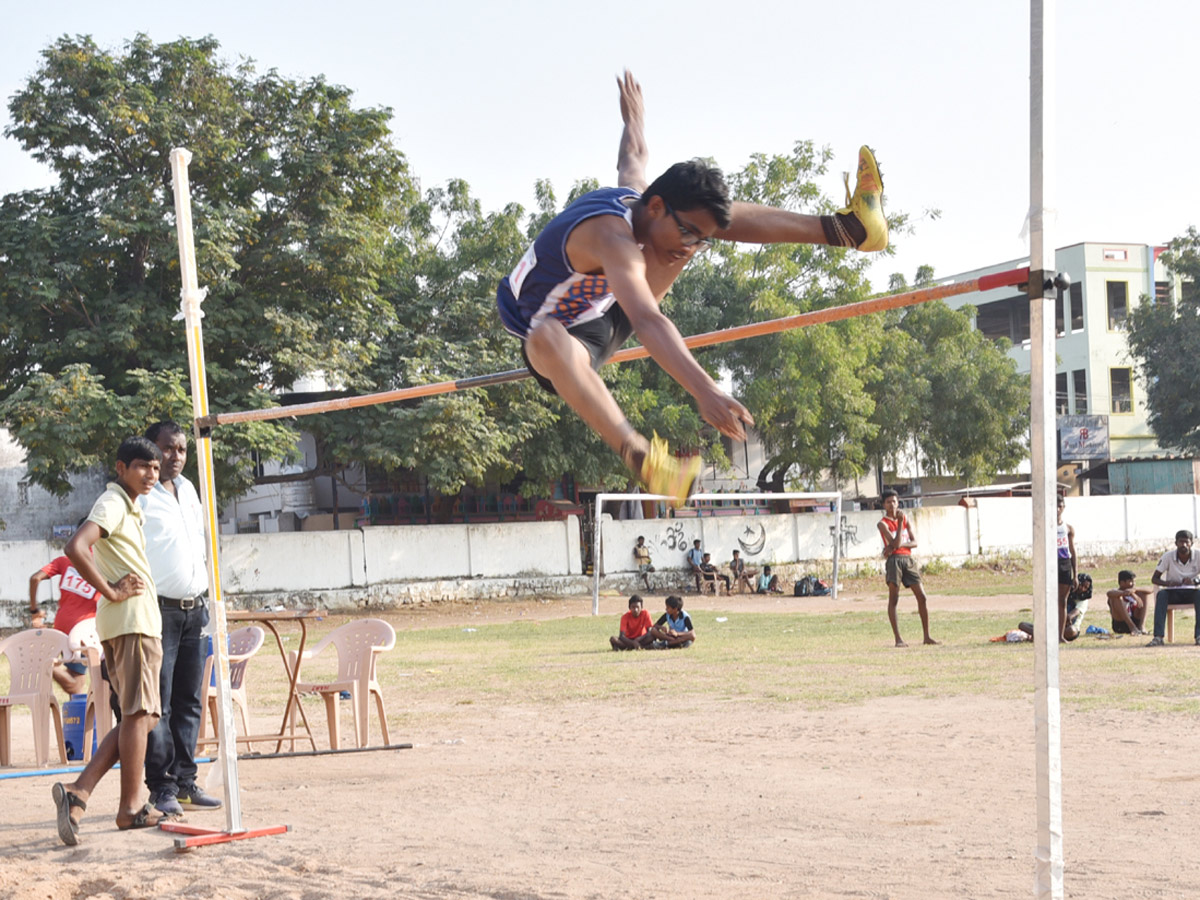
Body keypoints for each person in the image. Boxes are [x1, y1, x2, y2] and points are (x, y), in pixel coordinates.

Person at [496, 70, 887, 507]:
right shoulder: (613, 239)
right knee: (546, 335)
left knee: (710, 215)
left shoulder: (641, 196)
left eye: (698, 240)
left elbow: (634, 156)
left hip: (610, 308)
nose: (692, 248)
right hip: (562, 345)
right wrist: (706, 389)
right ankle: (640, 456)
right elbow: (646, 320)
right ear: (657, 208)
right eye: (687, 234)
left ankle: (847, 230)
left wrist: (634, 119)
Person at [51, 436, 166, 845]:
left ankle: (78, 794)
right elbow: (76, 546)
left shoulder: (131, 506)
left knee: (143, 716)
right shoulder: (114, 501)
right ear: (120, 468)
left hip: (133, 622)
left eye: (154, 467)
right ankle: (131, 807)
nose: (150, 474)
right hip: (129, 620)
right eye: (141, 466)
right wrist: (111, 590)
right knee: (138, 715)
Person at [141, 422, 222, 815]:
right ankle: (162, 787)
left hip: (195, 609)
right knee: (160, 703)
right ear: (152, 451)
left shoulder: (189, 489)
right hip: (160, 610)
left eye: (181, 450)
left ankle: (186, 781)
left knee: (190, 700)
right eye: (167, 449)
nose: (175, 457)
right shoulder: (139, 494)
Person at [28, 545, 98, 694]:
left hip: (61, 624)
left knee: (76, 683)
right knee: (76, 685)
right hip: (84, 628)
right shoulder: (102, 564)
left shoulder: (65, 560)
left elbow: (35, 578)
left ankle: (79, 716)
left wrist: (34, 610)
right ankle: (43, 663)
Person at [878, 490, 938, 648]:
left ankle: (927, 636)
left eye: (895, 501)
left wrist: (895, 545)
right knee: (894, 599)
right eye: (889, 502)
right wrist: (898, 528)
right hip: (894, 561)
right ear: (884, 505)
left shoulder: (905, 519)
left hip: (908, 559)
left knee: (922, 596)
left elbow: (914, 542)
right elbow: (895, 543)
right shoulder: (883, 523)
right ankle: (898, 638)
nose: (892, 504)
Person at [1147, 529, 1200, 647]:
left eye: (1187, 542)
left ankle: (1199, 636)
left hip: (1192, 592)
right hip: (1174, 593)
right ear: (1176, 543)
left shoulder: (1198, 555)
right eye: (1181, 542)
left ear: (1191, 543)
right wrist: (1169, 583)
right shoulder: (1168, 556)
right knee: (1161, 594)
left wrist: (1195, 580)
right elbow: (1154, 579)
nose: (1184, 545)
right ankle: (1158, 637)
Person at [1055, 495, 1078, 642]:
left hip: (1064, 563)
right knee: (1049, 600)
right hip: (1051, 563)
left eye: (1060, 506)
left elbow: (1072, 550)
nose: (1057, 509)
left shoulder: (1068, 528)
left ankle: (1060, 635)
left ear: (1063, 507)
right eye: (1054, 506)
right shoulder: (1045, 527)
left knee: (1062, 601)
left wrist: (1075, 574)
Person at [1106, 570, 1150, 636]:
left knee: (1144, 594)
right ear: (1122, 583)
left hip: (1135, 620)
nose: (1133, 584)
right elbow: (1109, 593)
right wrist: (1124, 593)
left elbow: (1150, 590)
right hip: (1121, 624)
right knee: (1115, 598)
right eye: (1131, 581)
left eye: (1134, 581)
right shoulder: (1116, 592)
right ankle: (1132, 627)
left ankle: (1141, 626)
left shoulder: (1134, 591)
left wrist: (1135, 590)